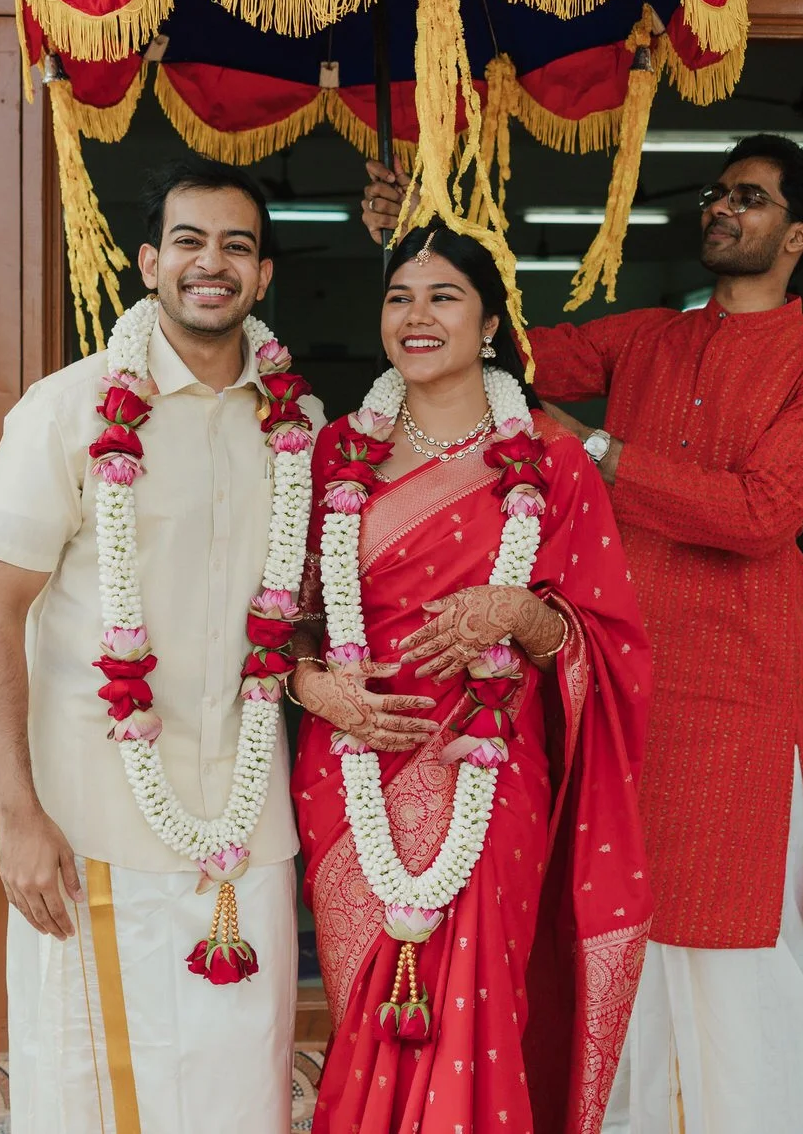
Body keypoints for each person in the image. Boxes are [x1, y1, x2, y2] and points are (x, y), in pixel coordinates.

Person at [362, 135, 803, 1132]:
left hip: (733, 694)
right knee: (614, 923)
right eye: (718, 191)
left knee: (731, 938)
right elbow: (498, 341)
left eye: (750, 197)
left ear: (799, 234)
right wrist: (420, 235)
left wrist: (593, 446)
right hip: (606, 679)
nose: (721, 206)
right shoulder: (649, 338)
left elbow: (760, 513)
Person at [0, 159, 322, 1133]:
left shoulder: (297, 424)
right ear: (149, 261)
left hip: (245, 834)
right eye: (189, 241)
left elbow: (299, 615)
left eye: (237, 246)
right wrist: (16, 815)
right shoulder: (69, 409)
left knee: (240, 1096)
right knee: (88, 1094)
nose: (213, 263)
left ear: (263, 275)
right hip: (90, 827)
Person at [288, 223, 653, 1134]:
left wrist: (521, 613)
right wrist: (310, 688)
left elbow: (606, 640)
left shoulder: (553, 463)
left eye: (443, 297)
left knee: (478, 1008)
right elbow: (284, 619)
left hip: (492, 770)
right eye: (399, 298)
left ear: (490, 323)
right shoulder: (333, 453)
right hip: (351, 763)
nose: (417, 316)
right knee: (365, 1009)